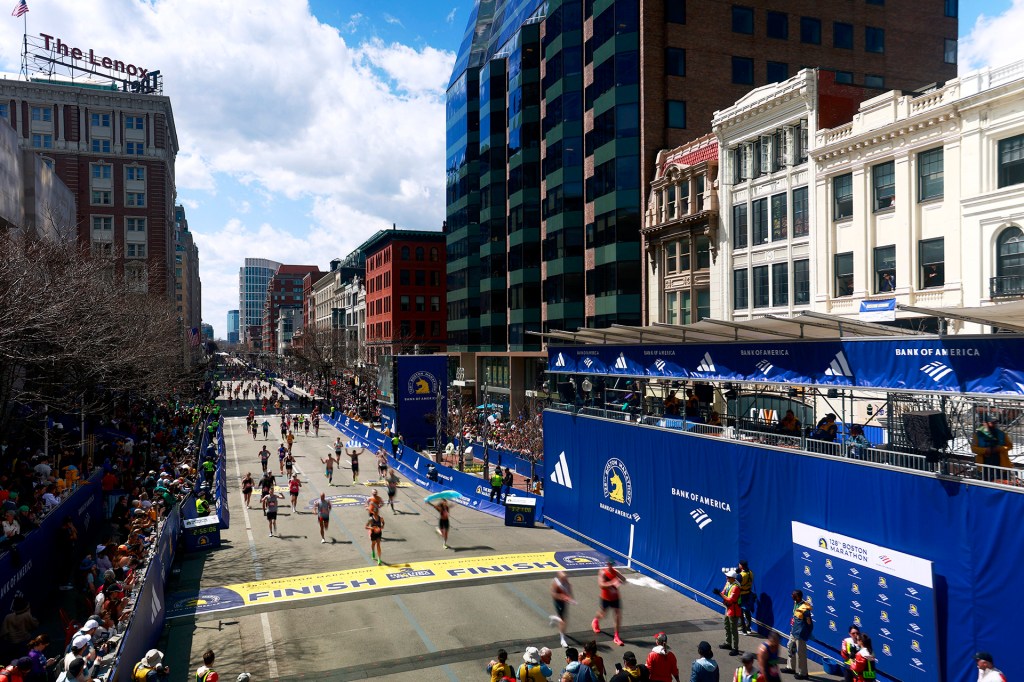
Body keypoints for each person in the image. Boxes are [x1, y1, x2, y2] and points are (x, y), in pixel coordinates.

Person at [593, 559, 625, 646]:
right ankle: (595, 621)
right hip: (605, 597)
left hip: (615, 597)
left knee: (618, 616)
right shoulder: (602, 572)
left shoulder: (615, 572)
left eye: (612, 564)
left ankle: (616, 636)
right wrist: (612, 583)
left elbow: (624, 579)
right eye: (609, 564)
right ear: (607, 564)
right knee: (603, 614)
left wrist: (621, 580)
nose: (611, 566)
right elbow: (601, 585)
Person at [782, 591, 812, 680]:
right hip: (793, 631)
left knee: (801, 653)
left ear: (798, 597)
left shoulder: (805, 609)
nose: (791, 595)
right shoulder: (796, 603)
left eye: (793, 595)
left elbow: (809, 622)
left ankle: (803, 673)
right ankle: (791, 667)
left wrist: (805, 632)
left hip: (800, 634)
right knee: (790, 648)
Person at [550, 571, 575, 648]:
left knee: (563, 618)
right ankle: (562, 639)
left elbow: (569, 589)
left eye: (566, 578)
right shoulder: (556, 583)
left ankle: (554, 618)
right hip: (558, 602)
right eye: (564, 578)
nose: (565, 579)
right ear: (560, 577)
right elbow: (553, 594)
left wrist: (570, 598)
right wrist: (562, 597)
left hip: (564, 602)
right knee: (563, 620)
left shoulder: (566, 582)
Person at [719, 570, 741, 655]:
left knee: (734, 630)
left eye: (728, 577)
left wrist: (720, 595)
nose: (726, 578)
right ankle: (728, 643)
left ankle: (735, 648)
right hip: (728, 608)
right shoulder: (728, 583)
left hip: (734, 611)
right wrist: (720, 593)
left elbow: (731, 599)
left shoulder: (736, 587)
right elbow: (724, 591)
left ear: (732, 578)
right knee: (727, 626)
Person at [737, 561, 755, 635]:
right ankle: (748, 628)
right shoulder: (751, 572)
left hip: (741, 595)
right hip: (748, 594)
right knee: (747, 611)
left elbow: (736, 585)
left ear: (741, 566)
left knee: (740, 612)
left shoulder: (741, 575)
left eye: (739, 564)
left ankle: (743, 629)